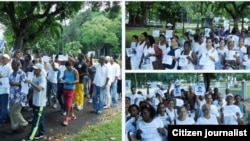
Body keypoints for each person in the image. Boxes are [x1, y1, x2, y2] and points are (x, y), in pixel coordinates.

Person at [22, 63, 47, 140]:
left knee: (35, 121)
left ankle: (30, 137)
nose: (34, 70)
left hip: (40, 103)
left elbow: (39, 89)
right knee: (40, 119)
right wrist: (28, 99)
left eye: (35, 69)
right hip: (35, 102)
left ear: (39, 70)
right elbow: (33, 90)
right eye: (34, 69)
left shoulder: (42, 78)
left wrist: (30, 82)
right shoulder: (34, 78)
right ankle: (42, 133)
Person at [6, 59, 28, 134]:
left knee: (15, 112)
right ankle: (15, 127)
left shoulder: (22, 74)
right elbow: (10, 83)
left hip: (19, 96)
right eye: (12, 64)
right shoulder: (12, 74)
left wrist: (15, 83)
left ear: (18, 65)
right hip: (12, 95)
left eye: (13, 64)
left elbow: (25, 85)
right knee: (11, 112)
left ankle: (24, 123)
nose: (12, 66)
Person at [61, 61, 79, 126]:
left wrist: (71, 82)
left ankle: (67, 118)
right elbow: (64, 77)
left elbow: (77, 80)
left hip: (71, 89)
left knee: (68, 103)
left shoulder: (75, 71)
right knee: (68, 103)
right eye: (68, 67)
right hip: (65, 87)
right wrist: (61, 79)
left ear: (72, 65)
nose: (69, 68)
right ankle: (72, 115)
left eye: (70, 66)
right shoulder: (65, 71)